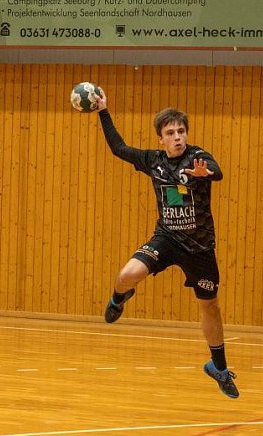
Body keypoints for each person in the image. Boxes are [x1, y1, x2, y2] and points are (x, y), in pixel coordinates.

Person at [93, 89, 239, 399]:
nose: (177, 137)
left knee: (209, 306)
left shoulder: (198, 156)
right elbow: (118, 148)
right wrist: (103, 111)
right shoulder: (153, 161)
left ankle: (219, 368)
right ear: (161, 138)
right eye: (170, 132)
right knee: (126, 275)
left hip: (199, 249)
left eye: (181, 131)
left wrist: (206, 173)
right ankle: (119, 299)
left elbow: (218, 172)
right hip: (167, 238)